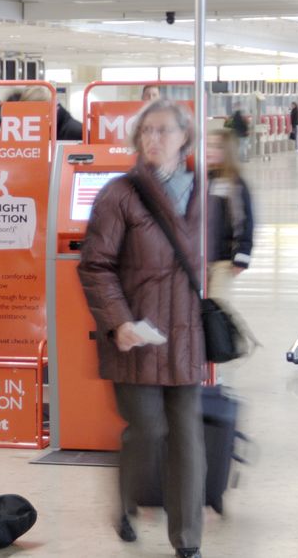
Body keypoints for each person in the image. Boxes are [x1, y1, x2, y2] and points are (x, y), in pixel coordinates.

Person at [78, 99, 205, 558]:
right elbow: (95, 266)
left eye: (163, 131)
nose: (153, 139)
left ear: (184, 138)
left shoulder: (204, 194)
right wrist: (118, 322)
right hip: (135, 336)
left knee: (188, 437)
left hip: (187, 334)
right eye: (146, 132)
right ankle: (127, 501)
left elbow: (217, 258)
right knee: (148, 430)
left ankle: (188, 541)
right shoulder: (119, 194)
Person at [207, 128, 255, 306]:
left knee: (218, 305)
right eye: (208, 145)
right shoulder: (201, 179)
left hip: (224, 260)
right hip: (200, 259)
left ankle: (223, 333)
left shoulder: (235, 183)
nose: (209, 150)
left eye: (216, 146)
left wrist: (242, 255)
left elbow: (245, 221)